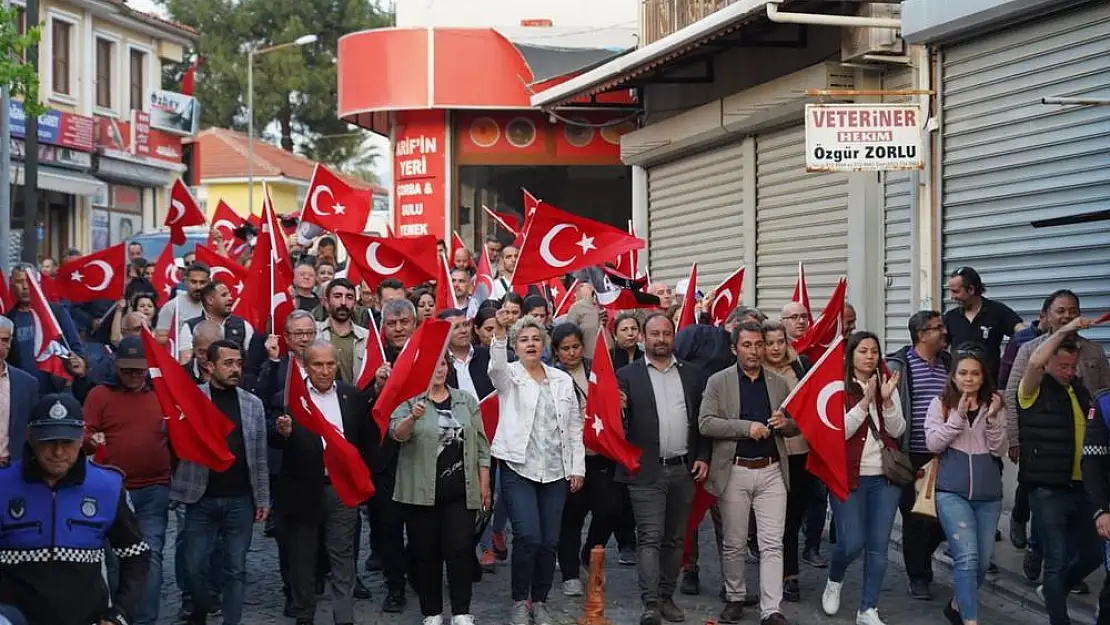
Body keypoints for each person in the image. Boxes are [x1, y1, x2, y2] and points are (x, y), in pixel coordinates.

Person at [0, 393, 150, 625]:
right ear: (30, 437)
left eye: (67, 442)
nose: (58, 453)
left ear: (81, 439)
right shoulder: (3, 486)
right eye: (48, 442)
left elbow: (136, 555)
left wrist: (119, 614)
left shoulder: (107, 488)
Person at [487, 310, 585, 625]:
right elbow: (496, 368)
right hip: (519, 468)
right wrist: (500, 334)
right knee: (528, 535)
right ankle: (519, 600)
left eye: (535, 339)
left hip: (555, 470)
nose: (530, 344)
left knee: (549, 541)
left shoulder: (561, 379)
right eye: (523, 340)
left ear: (544, 344)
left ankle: (539, 601)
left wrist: (577, 467)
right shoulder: (510, 375)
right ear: (515, 346)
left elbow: (573, 427)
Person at [699, 321, 796, 625]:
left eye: (759, 345)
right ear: (734, 349)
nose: (755, 351)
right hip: (735, 469)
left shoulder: (778, 383)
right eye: (747, 345)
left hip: (771, 471)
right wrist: (745, 428)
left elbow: (795, 424)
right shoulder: (718, 381)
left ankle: (772, 608)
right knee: (735, 540)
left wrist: (786, 424)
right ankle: (735, 596)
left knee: (772, 542)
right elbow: (706, 423)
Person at [271, 341, 374, 625]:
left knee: (343, 557)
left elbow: (364, 441)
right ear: (306, 365)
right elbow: (273, 442)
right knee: (303, 559)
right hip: (303, 491)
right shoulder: (289, 398)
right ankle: (305, 615)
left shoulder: (351, 396)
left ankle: (344, 618)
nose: (325, 371)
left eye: (330, 364)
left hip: (341, 490)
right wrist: (282, 433)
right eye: (318, 364)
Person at [616, 313, 710, 625]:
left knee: (675, 538)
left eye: (666, 333)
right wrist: (618, 406)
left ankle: (668, 595)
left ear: (674, 336)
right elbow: (616, 424)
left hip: (684, 469)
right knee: (650, 537)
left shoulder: (693, 375)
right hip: (645, 471)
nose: (661, 339)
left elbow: (702, 421)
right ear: (643, 337)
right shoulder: (626, 375)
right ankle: (651, 603)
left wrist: (703, 455)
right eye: (654, 333)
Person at [173, 340, 270, 625]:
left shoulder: (253, 405)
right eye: (228, 363)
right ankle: (200, 609)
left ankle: (232, 621)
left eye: (238, 363)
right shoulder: (191, 399)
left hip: (239, 498)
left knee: (236, 569)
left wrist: (262, 498)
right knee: (193, 566)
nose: (235, 369)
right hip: (199, 497)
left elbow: (260, 454)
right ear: (209, 366)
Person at [392, 353, 492, 625]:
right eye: (432, 365)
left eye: (443, 365)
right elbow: (397, 434)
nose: (439, 370)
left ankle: (461, 611)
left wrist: (485, 483)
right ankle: (432, 612)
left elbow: (482, 444)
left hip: (460, 492)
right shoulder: (410, 399)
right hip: (420, 494)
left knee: (460, 551)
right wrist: (412, 418)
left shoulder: (465, 400)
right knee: (426, 554)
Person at [1015, 316, 1102, 625]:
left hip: (1084, 487)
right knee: (1055, 558)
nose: (1068, 372)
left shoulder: (1078, 390)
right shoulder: (1033, 390)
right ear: (1049, 362)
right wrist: (1064, 329)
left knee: (1093, 554)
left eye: (1072, 367)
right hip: (1047, 487)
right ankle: (1058, 618)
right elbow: (1035, 363)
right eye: (1062, 366)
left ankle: (1054, 589)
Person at [83, 337, 171, 625]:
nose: (134, 375)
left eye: (139, 370)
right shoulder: (99, 395)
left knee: (151, 555)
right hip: (113, 493)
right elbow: (82, 435)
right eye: (127, 370)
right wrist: (91, 441)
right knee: (117, 559)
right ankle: (122, 616)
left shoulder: (161, 393)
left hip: (154, 488)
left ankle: (145, 620)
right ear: (116, 367)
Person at [821, 331, 905, 625]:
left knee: (878, 547)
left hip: (884, 477)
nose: (870, 356)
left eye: (874, 351)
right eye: (863, 351)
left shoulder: (887, 385)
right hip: (848, 476)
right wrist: (864, 402)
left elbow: (897, 430)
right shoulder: (837, 387)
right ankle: (835, 578)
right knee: (851, 542)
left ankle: (867, 608)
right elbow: (837, 432)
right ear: (850, 356)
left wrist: (886, 402)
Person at [925, 348, 1007, 625]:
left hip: (988, 495)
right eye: (963, 373)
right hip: (951, 492)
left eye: (975, 373)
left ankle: (957, 605)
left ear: (983, 377)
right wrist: (957, 418)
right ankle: (970, 620)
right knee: (968, 559)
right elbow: (933, 443)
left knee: (982, 565)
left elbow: (1000, 449)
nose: (969, 379)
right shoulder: (941, 404)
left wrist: (994, 418)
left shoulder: (994, 405)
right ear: (954, 377)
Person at [887, 310, 951, 599]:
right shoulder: (899, 365)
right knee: (916, 518)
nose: (944, 332)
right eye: (938, 328)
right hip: (912, 454)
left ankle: (920, 559)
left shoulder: (949, 364)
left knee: (944, 519)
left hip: (946, 454)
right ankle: (919, 577)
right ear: (922, 335)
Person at [761, 319, 819, 599]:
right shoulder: (755, 370)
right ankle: (778, 573)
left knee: (793, 517)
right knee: (775, 518)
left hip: (799, 451)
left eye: (780, 342)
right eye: (769, 342)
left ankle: (790, 573)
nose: (775, 348)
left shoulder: (801, 367)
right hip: (770, 452)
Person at [943, 266, 1023, 382]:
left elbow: (1022, 333)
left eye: (956, 291)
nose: (952, 297)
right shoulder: (950, 317)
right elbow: (939, 347)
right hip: (959, 386)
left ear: (971, 289)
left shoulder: (997, 311)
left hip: (990, 385)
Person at [180, 282, 253, 362]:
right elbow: (185, 364)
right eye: (224, 295)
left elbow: (251, 362)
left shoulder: (244, 325)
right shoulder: (190, 327)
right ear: (210, 300)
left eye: (230, 294)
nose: (230, 298)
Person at [0, 317, 39, 466]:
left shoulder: (27, 383)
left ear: (11, 343)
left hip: (12, 468)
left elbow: (33, 429)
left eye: (4, 340)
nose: (0, 346)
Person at [317, 279, 369, 385]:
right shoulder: (314, 333)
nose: (343, 303)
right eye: (337, 296)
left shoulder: (367, 337)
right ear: (326, 302)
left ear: (355, 303)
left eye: (349, 297)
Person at [157, 262, 211, 334]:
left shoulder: (214, 306)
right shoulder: (172, 307)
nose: (198, 287)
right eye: (193, 282)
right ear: (185, 281)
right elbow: (161, 338)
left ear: (209, 282)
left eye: (202, 282)